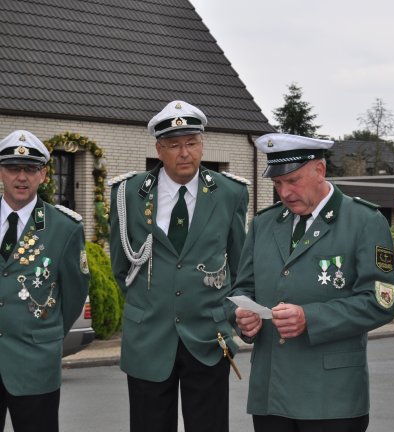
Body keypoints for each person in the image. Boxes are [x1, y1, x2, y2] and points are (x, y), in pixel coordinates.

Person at [230, 133, 394, 432]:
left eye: (293, 180)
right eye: (277, 183)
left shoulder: (364, 221)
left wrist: (310, 318)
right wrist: (242, 317)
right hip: (272, 393)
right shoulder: (264, 224)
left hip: (332, 397)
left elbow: (380, 302)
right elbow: (243, 288)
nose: (285, 192)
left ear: (320, 170)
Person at [109, 101, 249, 432]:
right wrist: (150, 304)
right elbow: (121, 267)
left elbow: (240, 267)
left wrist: (230, 316)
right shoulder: (128, 193)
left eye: (191, 143)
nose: (184, 153)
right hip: (148, 337)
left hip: (208, 337)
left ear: (202, 144)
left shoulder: (230, 193)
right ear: (159, 150)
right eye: (174, 145)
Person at [0, 130, 89, 431]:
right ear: (1, 172)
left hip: (35, 363)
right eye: (13, 168)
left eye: (30, 169)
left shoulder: (64, 228)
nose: (21, 177)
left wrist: (45, 334)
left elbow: (75, 294)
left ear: (44, 175)